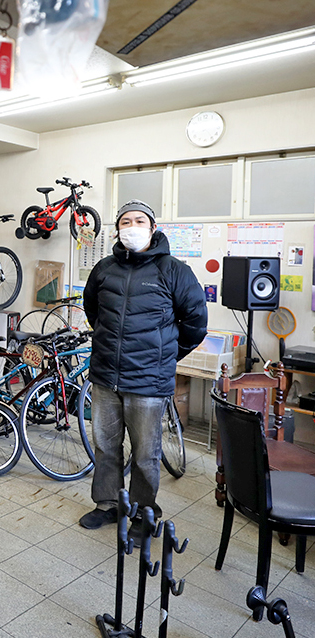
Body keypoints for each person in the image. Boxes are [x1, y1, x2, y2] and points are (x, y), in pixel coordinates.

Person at [79, 199, 207, 540]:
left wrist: (165, 356)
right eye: (125, 221)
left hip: (148, 383)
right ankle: (107, 504)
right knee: (106, 446)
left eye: (139, 221)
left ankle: (143, 515)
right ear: (117, 229)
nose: (131, 227)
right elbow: (93, 311)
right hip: (106, 376)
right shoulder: (104, 269)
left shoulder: (173, 270)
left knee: (145, 454)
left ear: (153, 228)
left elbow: (196, 322)